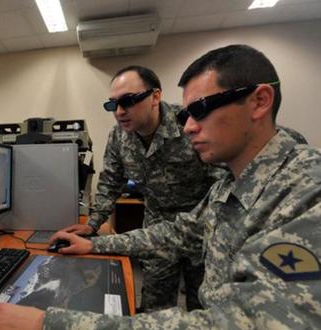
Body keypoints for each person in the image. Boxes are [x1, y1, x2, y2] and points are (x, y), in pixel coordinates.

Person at [0, 44, 321, 329]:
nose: (190, 125)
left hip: (200, 262)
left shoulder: (305, 191)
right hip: (164, 226)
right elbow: (177, 230)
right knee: (155, 304)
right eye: (113, 103)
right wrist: (93, 239)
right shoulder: (232, 184)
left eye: (203, 108)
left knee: (194, 301)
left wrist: (49, 322)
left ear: (259, 101)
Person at [58, 65, 224, 312]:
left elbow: (221, 180)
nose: (120, 112)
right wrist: (93, 223)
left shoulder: (190, 125)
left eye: (128, 101)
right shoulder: (118, 137)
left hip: (200, 227)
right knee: (155, 307)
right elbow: (111, 181)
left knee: (203, 307)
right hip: (155, 228)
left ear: (155, 96)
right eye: (113, 104)